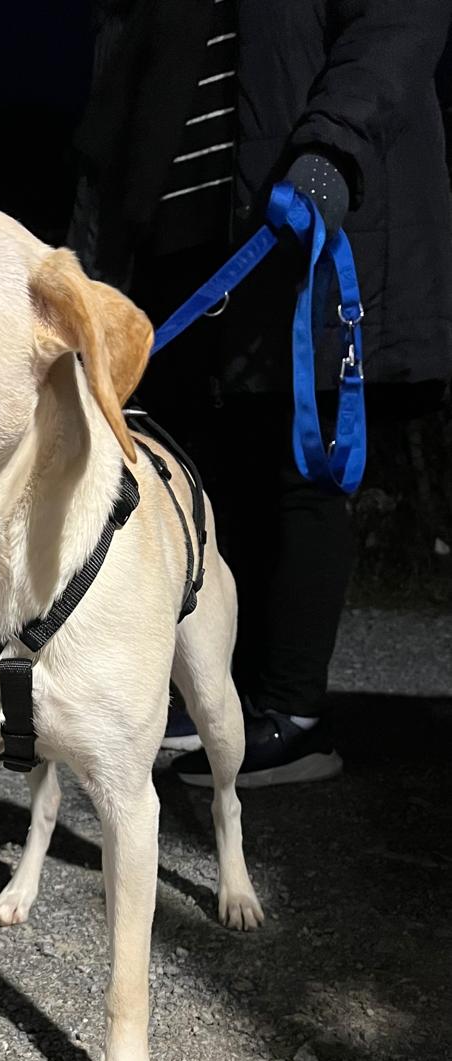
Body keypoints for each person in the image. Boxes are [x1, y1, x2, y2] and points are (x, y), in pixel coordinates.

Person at [69, 0, 452, 785]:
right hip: (175, 239)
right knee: (201, 476)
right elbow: (112, 111)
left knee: (294, 465)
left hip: (290, 210)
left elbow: (396, 23)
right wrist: (84, 264)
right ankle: (220, 695)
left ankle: (292, 713)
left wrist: (332, 147)